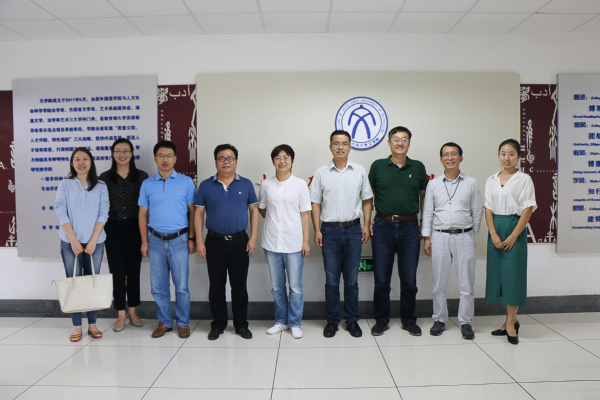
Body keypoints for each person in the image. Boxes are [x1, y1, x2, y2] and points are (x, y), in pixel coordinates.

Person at [310, 130, 373, 338]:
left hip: (354, 229)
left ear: (350, 147)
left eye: (344, 143)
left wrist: (366, 225)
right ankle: (332, 321)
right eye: (336, 143)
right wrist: (317, 229)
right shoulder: (321, 173)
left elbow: (367, 199)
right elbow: (315, 202)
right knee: (331, 280)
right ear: (330, 147)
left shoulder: (359, 171)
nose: (340, 147)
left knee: (352, 280)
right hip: (329, 231)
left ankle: (352, 320)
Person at [368, 126, 428, 336]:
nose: (400, 143)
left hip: (410, 228)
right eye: (396, 139)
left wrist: (423, 224)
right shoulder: (378, 166)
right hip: (383, 227)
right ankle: (381, 320)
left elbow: (424, 197)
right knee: (381, 279)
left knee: (409, 280)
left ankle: (409, 320)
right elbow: (368, 196)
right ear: (389, 142)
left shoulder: (418, 167)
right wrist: (367, 223)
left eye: (404, 139)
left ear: (409, 143)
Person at [195, 144, 259, 340]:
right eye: (221, 158)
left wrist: (253, 238)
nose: (226, 162)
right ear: (216, 162)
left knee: (239, 286)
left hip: (240, 241)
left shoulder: (246, 184)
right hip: (214, 242)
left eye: (230, 158)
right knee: (216, 286)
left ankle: (241, 324)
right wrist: (199, 241)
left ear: (236, 162)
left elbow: (254, 210)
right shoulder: (206, 185)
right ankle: (218, 324)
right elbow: (198, 213)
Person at [422, 142, 483, 339]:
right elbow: (428, 212)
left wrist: (472, 231)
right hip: (439, 236)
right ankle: (439, 319)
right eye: (446, 155)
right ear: (441, 160)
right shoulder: (433, 184)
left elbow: (477, 209)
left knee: (467, 283)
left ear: (460, 158)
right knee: (439, 283)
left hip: (464, 236)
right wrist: (427, 237)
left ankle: (466, 322)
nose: (450, 158)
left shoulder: (471, 182)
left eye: (454, 154)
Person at [138, 140, 196, 339]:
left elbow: (193, 212)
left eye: (169, 155)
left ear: (175, 159)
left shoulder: (186, 182)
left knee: (182, 287)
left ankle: (183, 322)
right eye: (161, 156)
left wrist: (192, 238)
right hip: (154, 241)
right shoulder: (147, 184)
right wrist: (144, 241)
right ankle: (164, 322)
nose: (165, 159)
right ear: (155, 158)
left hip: (179, 240)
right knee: (158, 286)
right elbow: (142, 214)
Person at [484, 139, 536, 345]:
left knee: (513, 277)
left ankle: (511, 323)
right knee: (499, 277)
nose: (507, 158)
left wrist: (514, 235)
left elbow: (528, 209)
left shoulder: (524, 179)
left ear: (519, 157)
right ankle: (508, 321)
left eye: (511, 154)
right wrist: (493, 233)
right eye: (503, 153)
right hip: (495, 229)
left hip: (515, 228)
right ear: (498, 156)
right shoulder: (491, 179)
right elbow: (487, 208)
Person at [55, 147, 109, 342]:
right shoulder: (65, 184)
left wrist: (93, 240)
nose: (81, 163)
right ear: (72, 163)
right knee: (74, 282)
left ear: (91, 162)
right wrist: (74, 240)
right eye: (77, 159)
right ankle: (77, 326)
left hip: (96, 242)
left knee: (92, 281)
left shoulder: (101, 185)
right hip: (70, 242)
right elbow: (61, 211)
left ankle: (92, 324)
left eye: (85, 159)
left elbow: (103, 213)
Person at [258, 144, 311, 339]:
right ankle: (281, 321)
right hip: (271, 242)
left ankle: (295, 323)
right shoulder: (266, 184)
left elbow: (305, 214)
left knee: (295, 288)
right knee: (277, 287)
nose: (282, 161)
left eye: (286, 157)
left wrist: (306, 241)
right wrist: (275, 222)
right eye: (278, 158)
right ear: (273, 161)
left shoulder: (300, 184)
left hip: (294, 242)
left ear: (292, 160)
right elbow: (262, 208)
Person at [99, 139, 148, 332]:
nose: (122, 154)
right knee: (117, 272)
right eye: (118, 151)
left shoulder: (142, 176)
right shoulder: (104, 178)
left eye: (126, 151)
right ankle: (120, 313)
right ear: (112, 154)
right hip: (113, 228)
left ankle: (133, 311)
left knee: (134, 271)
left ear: (131, 153)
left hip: (136, 227)